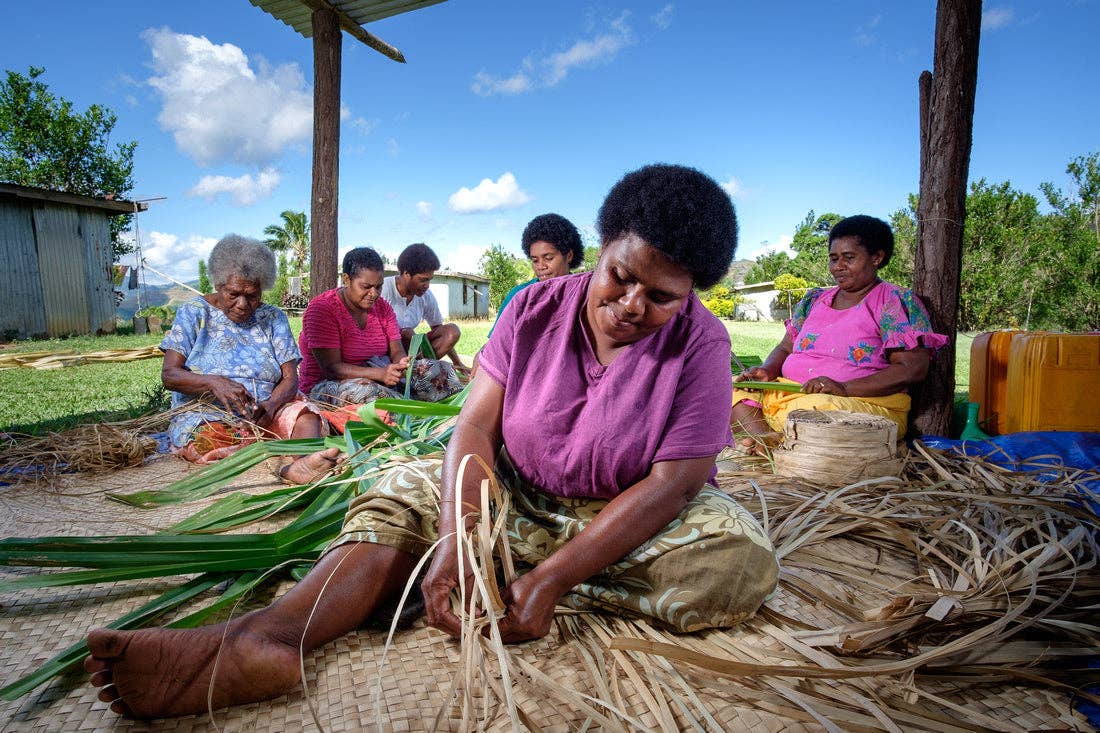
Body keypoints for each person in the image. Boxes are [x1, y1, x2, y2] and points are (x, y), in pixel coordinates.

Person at [83, 164, 779, 720]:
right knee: (401, 489)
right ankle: (267, 636)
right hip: (511, 489)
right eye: (621, 277)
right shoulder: (535, 308)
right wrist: (454, 536)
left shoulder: (704, 346)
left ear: (691, 294)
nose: (632, 305)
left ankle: (502, 575)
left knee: (735, 561)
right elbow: (474, 426)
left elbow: (674, 483)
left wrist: (554, 578)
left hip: (622, 514)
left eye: (660, 297)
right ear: (598, 253)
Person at [731, 214, 948, 449]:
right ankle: (768, 442)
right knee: (732, 389)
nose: (838, 266)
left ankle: (779, 443)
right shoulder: (814, 300)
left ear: (877, 257)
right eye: (833, 259)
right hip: (792, 394)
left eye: (849, 258)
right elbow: (785, 347)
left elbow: (912, 369)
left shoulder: (894, 302)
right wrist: (767, 370)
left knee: (820, 410)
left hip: (860, 404)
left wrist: (844, 388)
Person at [159, 234, 339, 483]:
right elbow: (170, 375)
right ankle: (273, 464)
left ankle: (304, 464)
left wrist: (272, 405)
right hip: (210, 413)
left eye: (252, 295)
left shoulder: (273, 317)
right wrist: (214, 382)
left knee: (305, 417)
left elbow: (290, 379)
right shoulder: (194, 313)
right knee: (205, 439)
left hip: (266, 411)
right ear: (218, 284)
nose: (243, 304)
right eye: (233, 294)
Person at [298, 246, 464, 406]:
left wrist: (401, 364)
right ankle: (410, 408)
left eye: (378, 287)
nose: (374, 294)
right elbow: (332, 369)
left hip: (379, 373)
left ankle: (414, 404)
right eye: (366, 287)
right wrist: (379, 374)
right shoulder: (322, 309)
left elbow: (397, 349)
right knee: (369, 393)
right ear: (347, 279)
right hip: (329, 385)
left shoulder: (383, 307)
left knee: (441, 370)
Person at [381, 243, 470, 375]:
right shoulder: (382, 290)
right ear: (406, 273)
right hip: (386, 350)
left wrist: (457, 362)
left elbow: (438, 329)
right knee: (407, 334)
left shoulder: (426, 296)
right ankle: (420, 371)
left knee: (452, 331)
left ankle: (420, 371)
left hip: (412, 352)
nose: (427, 285)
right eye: (423, 280)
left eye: (430, 280)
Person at [489, 212, 584, 336]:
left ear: (569, 256)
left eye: (548, 258)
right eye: (535, 260)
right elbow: (496, 344)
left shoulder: (585, 293)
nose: (540, 266)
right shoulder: (519, 295)